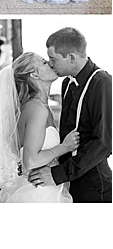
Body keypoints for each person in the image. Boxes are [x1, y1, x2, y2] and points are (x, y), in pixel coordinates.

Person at [28, 28, 111, 202]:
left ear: (71, 58)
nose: (50, 64)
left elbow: (104, 142)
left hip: (94, 185)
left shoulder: (102, 82)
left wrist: (57, 174)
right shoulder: (66, 84)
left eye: (53, 59)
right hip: (68, 183)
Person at [0, 52, 77, 202]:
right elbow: (31, 160)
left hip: (42, 187)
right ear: (34, 74)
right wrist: (64, 147)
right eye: (44, 62)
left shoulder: (38, 107)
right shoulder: (37, 109)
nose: (50, 63)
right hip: (38, 192)